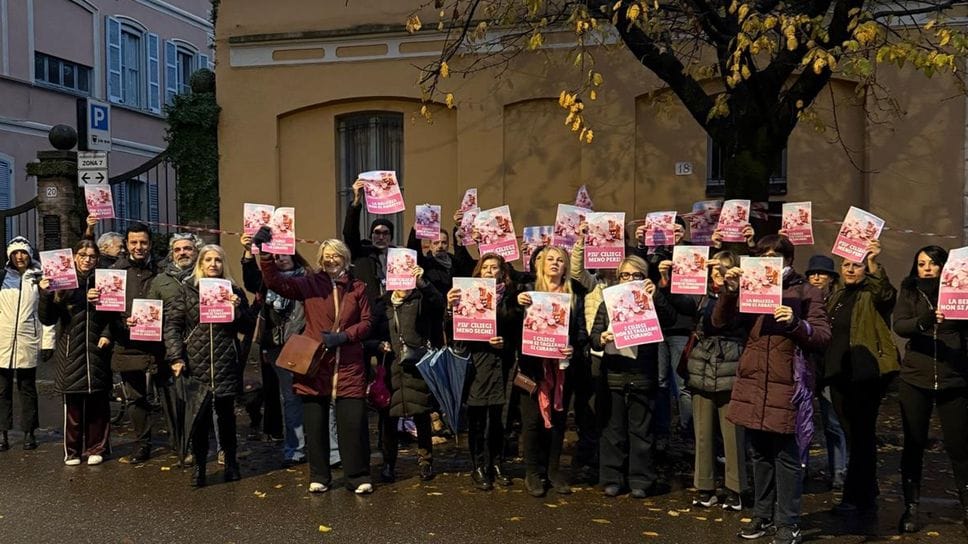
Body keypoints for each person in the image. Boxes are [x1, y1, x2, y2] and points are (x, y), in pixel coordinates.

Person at [715, 235, 830, 544]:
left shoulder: (807, 292)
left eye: (774, 255)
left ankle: (788, 523)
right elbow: (719, 322)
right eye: (762, 255)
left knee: (788, 459)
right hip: (754, 381)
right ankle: (762, 516)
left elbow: (821, 336)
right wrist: (728, 291)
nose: (767, 260)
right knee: (760, 455)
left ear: (788, 260)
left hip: (786, 385)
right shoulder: (749, 286)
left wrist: (796, 322)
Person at [254, 230, 374, 495]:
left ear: (346, 259)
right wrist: (264, 254)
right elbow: (275, 282)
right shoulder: (309, 283)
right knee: (315, 424)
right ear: (320, 259)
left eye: (337, 256)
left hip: (349, 365)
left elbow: (367, 322)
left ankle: (357, 476)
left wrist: (344, 336)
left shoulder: (358, 287)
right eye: (327, 256)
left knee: (352, 424)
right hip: (315, 364)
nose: (332, 260)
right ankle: (320, 475)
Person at [894, 245, 968, 533]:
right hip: (916, 378)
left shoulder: (961, 292)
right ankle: (911, 508)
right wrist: (925, 321)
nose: (926, 268)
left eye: (933, 264)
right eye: (921, 263)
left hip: (954, 379)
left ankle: (966, 505)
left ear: (944, 267)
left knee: (959, 445)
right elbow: (899, 325)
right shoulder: (910, 292)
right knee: (914, 444)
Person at [591, 255, 677, 498]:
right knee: (613, 430)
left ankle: (641, 480)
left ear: (644, 277)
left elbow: (671, 320)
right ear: (618, 278)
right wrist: (601, 339)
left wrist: (657, 295)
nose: (630, 279)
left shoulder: (651, 299)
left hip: (642, 372)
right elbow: (594, 335)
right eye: (625, 275)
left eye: (636, 275)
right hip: (614, 372)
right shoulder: (607, 303)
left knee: (641, 432)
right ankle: (612, 478)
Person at [164, 244, 251, 486]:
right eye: (208, 260)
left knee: (226, 418)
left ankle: (231, 463)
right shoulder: (186, 291)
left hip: (224, 361)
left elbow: (247, 327)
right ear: (200, 264)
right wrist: (176, 357)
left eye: (218, 260)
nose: (213, 264)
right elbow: (172, 326)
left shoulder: (234, 290)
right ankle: (199, 467)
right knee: (199, 419)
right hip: (195, 362)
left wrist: (238, 310)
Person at [669, 250, 749, 510]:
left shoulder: (743, 295)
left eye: (724, 269)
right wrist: (668, 280)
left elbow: (723, 321)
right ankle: (705, 487)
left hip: (731, 365)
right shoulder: (700, 294)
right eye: (714, 270)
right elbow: (679, 306)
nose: (718, 274)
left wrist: (731, 289)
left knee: (732, 433)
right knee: (702, 432)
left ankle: (736, 488)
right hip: (702, 366)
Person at [824, 241, 897, 519]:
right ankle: (867, 490)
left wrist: (874, 262)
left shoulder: (872, 292)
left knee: (862, 435)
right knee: (854, 436)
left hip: (865, 375)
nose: (851, 269)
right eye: (846, 265)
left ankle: (855, 497)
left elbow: (886, 293)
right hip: (838, 375)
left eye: (856, 265)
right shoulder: (839, 294)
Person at [515, 245, 586, 498]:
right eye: (550, 259)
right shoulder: (526, 292)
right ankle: (533, 473)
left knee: (557, 421)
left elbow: (580, 332)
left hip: (561, 370)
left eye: (560, 260)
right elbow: (512, 327)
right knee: (532, 422)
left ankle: (553, 471)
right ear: (541, 264)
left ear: (566, 267)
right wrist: (517, 305)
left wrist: (573, 348)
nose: (555, 263)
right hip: (530, 369)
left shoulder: (574, 296)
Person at [446, 253, 520, 490]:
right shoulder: (465, 295)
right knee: (477, 420)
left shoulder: (511, 297)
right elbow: (452, 332)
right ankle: (477, 466)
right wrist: (450, 308)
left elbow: (519, 332)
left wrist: (504, 343)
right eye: (485, 267)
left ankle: (496, 465)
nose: (490, 271)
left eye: (495, 267)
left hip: (502, 364)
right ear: (479, 271)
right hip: (477, 364)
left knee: (498, 421)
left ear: (503, 272)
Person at [38, 240, 113, 465]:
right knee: (72, 405)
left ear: (97, 259)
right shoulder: (63, 282)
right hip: (71, 349)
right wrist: (45, 294)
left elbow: (114, 314)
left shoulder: (105, 280)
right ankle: (72, 451)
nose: (87, 259)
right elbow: (48, 318)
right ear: (74, 258)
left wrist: (107, 333)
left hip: (97, 349)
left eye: (92, 256)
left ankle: (96, 448)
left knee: (97, 403)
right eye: (82, 255)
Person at [241, 234, 311, 466]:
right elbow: (251, 280)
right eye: (276, 255)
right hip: (275, 345)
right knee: (289, 397)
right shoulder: (267, 280)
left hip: (300, 344)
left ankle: (312, 444)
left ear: (293, 254)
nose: (280, 258)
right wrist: (249, 251)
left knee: (306, 395)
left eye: (284, 254)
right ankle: (295, 448)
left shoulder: (306, 279)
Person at [383, 263, 443, 482]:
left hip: (416, 365)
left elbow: (439, 303)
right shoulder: (385, 303)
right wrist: (380, 346)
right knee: (389, 417)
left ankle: (425, 460)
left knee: (421, 413)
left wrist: (423, 282)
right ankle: (388, 462)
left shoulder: (421, 300)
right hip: (392, 367)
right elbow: (374, 329)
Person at [110, 222, 163, 463]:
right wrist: (122, 324)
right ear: (127, 244)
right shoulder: (115, 272)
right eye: (134, 242)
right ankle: (142, 444)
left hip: (159, 343)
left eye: (143, 242)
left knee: (169, 394)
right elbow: (107, 312)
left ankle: (182, 442)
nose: (139, 247)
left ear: (150, 244)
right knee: (135, 397)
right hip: (128, 343)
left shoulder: (162, 270)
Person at [0, 236, 53, 451]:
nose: (20, 257)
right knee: (2, 390)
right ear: (10, 256)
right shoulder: (3, 278)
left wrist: (47, 342)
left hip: (27, 340)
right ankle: (3, 433)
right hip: (2, 341)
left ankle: (29, 432)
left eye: (23, 253)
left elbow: (46, 314)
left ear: (29, 255)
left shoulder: (39, 278)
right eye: (16, 253)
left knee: (27, 388)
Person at [804, 255, 848, 491]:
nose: (817, 277)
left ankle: (839, 471)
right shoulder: (802, 299)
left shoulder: (839, 301)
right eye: (812, 273)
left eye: (822, 273)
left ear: (832, 279)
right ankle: (802, 468)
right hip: (807, 368)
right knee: (803, 422)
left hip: (832, 370)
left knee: (834, 423)